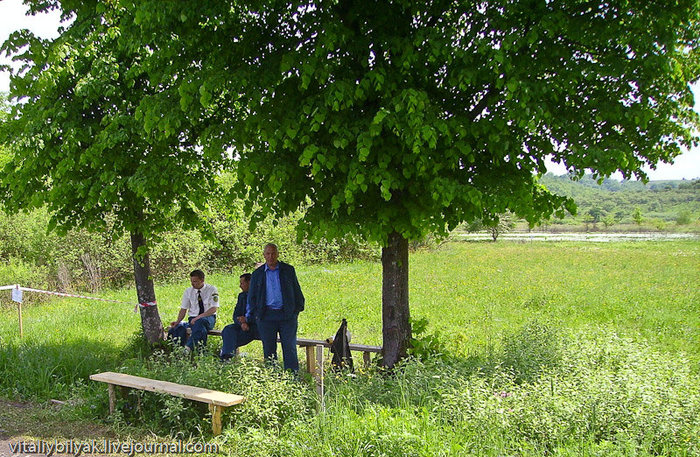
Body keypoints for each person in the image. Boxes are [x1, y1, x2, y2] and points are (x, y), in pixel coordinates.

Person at [244, 243, 305, 371]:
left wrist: (296, 310)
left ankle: (292, 376)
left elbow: (296, 291)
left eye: (273, 253)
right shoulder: (258, 274)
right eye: (268, 254)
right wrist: (255, 314)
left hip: (287, 315)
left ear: (277, 254)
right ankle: (272, 376)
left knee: (289, 347)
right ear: (264, 255)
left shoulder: (288, 270)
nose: (270, 256)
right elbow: (252, 297)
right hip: (266, 316)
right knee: (269, 349)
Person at [168, 269, 219, 352]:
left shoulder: (212, 289)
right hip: (193, 319)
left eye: (195, 281)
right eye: (191, 281)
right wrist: (178, 321)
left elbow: (213, 308)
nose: (192, 284)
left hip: (208, 317)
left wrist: (199, 317)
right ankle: (201, 351)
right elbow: (184, 309)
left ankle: (188, 347)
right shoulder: (188, 291)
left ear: (202, 280)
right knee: (201, 329)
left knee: (200, 322)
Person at [219, 273, 259, 361]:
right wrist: (242, 323)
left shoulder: (259, 296)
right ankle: (227, 356)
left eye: (242, 283)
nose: (240, 286)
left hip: (256, 326)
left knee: (232, 339)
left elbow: (260, 315)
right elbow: (236, 314)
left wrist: (248, 320)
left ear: (250, 283)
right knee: (228, 329)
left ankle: (226, 357)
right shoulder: (242, 296)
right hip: (243, 325)